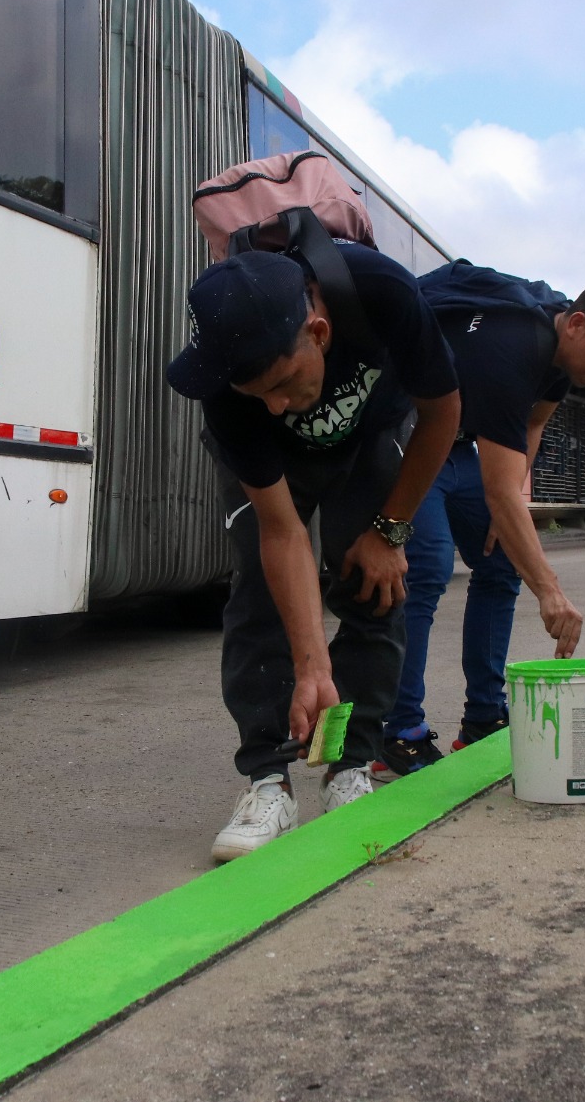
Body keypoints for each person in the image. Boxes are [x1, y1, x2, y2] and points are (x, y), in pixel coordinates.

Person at [167, 248, 460, 861]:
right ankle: (269, 782)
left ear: (319, 332)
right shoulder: (228, 391)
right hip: (280, 474)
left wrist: (390, 531)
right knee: (258, 595)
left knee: (374, 589)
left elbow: (443, 413)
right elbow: (282, 532)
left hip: (368, 442)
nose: (274, 406)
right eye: (258, 396)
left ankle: (347, 768)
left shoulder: (384, 294)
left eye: (279, 384)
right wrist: (312, 668)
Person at [378, 271, 585, 776]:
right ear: (576, 324)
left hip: (455, 441)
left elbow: (534, 423)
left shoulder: (562, 361)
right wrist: (549, 590)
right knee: (428, 564)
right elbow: (499, 489)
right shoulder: (511, 348)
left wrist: (504, 510)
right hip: (401, 429)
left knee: (502, 559)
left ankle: (484, 717)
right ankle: (400, 731)